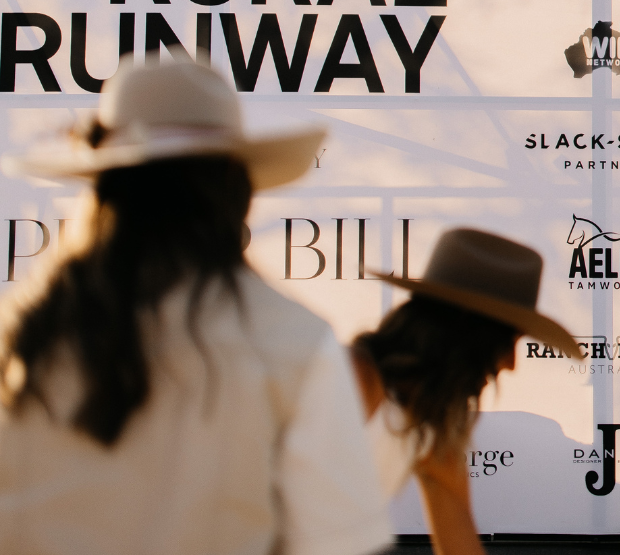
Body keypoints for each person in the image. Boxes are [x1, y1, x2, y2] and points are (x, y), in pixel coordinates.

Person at [0, 59, 392, 555]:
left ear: (100, 186)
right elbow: (341, 544)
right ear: (235, 190)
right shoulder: (294, 343)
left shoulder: (17, 334)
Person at [351, 227, 582, 555]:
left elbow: (459, 541)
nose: (511, 363)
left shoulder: (433, 424)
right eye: (507, 341)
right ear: (466, 330)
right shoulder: (355, 379)